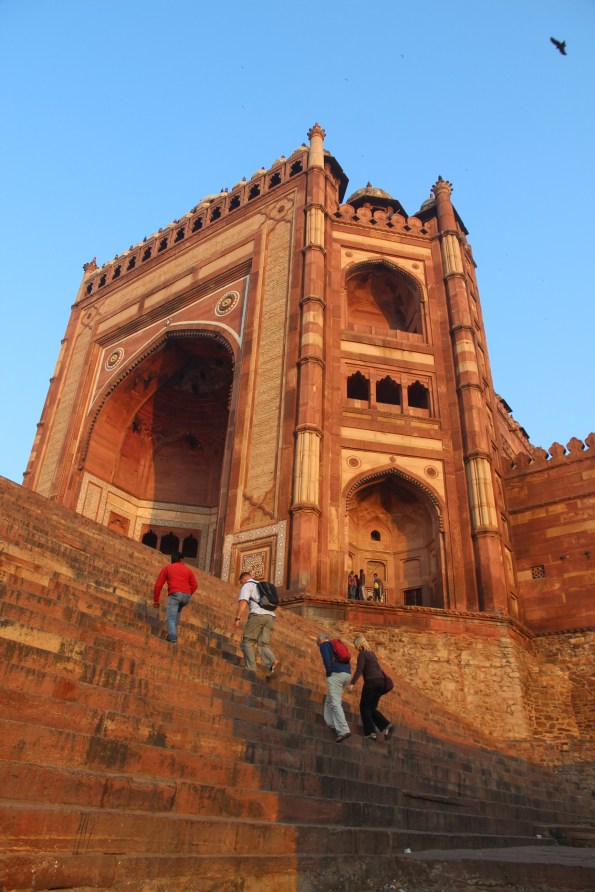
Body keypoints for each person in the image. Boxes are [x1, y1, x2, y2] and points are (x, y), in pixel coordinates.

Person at [234, 572, 281, 679]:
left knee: (248, 642)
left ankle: (251, 670)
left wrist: (238, 617)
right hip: (270, 616)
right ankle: (273, 661)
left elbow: (243, 602)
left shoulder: (247, 585)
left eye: (241, 583)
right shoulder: (262, 586)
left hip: (257, 614)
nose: (241, 585)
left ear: (244, 579)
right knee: (263, 643)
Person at [349, 634, 394, 741]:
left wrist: (352, 683)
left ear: (359, 645)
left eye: (355, 645)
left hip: (371, 682)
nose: (355, 647)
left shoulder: (362, 654)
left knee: (364, 707)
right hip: (381, 683)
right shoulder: (372, 654)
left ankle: (370, 733)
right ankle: (387, 726)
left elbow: (359, 669)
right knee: (371, 708)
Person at [153, 551, 198, 643]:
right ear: (181, 559)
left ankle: (173, 637)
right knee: (176, 614)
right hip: (186, 596)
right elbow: (195, 585)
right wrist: (188, 594)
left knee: (171, 618)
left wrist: (156, 601)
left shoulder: (168, 568)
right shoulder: (188, 570)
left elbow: (158, 585)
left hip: (175, 594)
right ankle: (171, 635)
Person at [316, 633, 351, 743]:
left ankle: (344, 730)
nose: (319, 646)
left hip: (336, 675)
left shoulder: (324, 645)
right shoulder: (335, 645)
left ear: (320, 640)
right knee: (330, 699)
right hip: (347, 675)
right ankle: (330, 722)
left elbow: (326, 659)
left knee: (335, 702)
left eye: (318, 644)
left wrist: (329, 672)